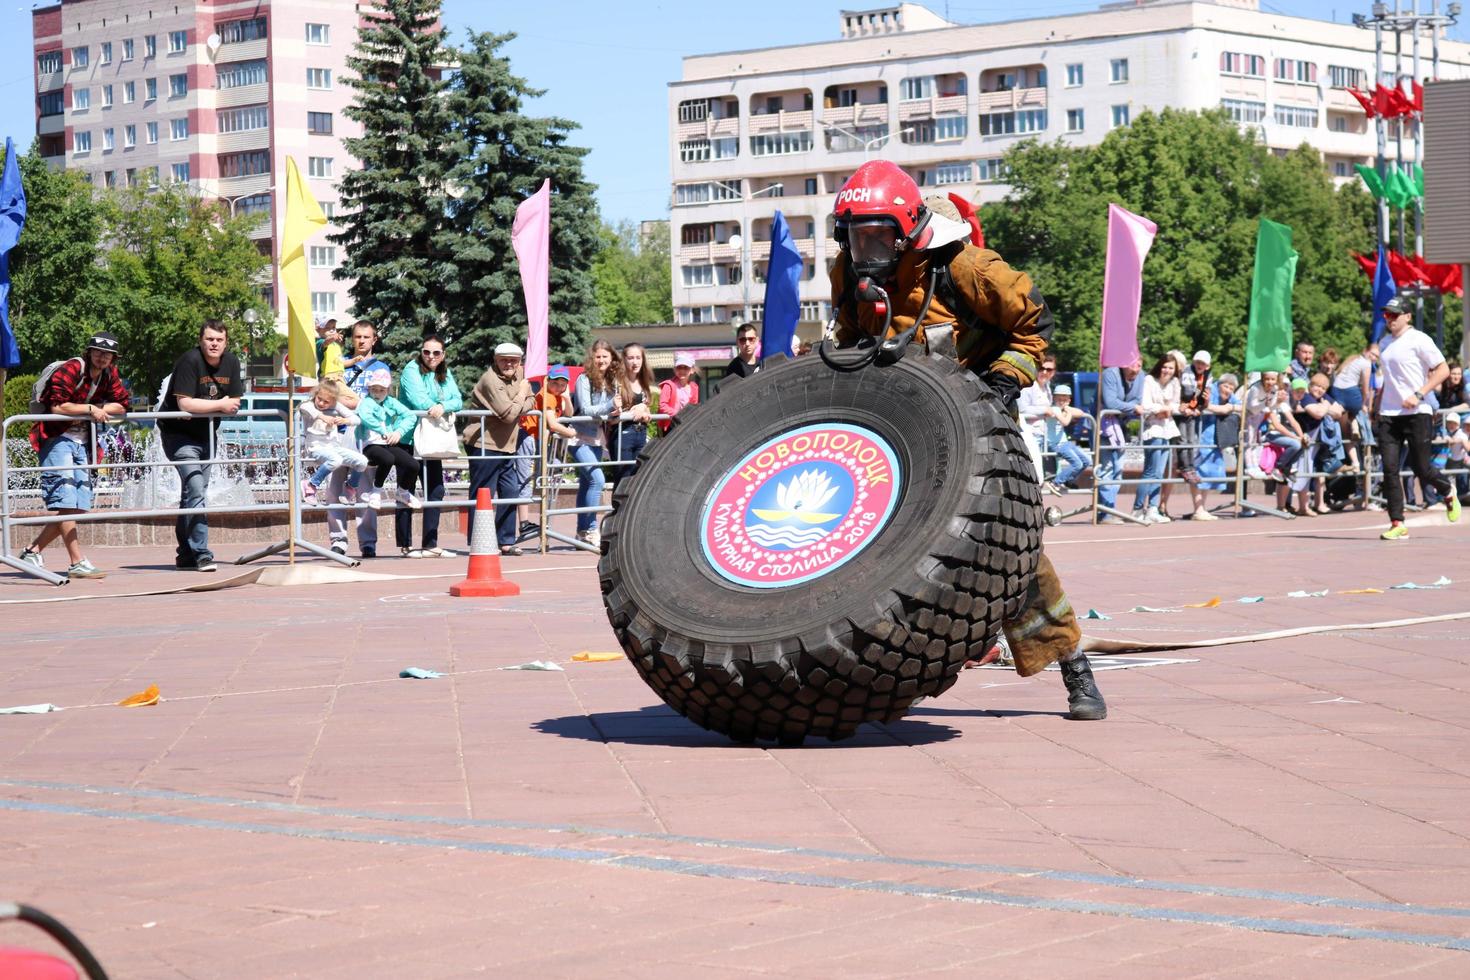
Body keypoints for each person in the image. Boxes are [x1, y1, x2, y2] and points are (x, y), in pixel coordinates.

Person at [829, 159, 1106, 721]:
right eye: (858, 236)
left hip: (978, 425)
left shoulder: (967, 267)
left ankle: (1073, 664)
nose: (868, 247)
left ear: (908, 228)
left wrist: (999, 386)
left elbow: (1035, 329)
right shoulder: (848, 273)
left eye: (880, 235)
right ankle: (876, 678)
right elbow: (850, 336)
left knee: (1011, 552)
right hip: (894, 432)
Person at [18, 333, 130, 580]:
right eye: (97, 352)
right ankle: (77, 561)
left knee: (78, 505)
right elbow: (58, 406)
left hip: (83, 443)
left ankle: (32, 551)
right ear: (88, 352)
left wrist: (98, 410)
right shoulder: (72, 369)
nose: (102, 357)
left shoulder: (109, 374)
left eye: (107, 354)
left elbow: (122, 404)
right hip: (57, 439)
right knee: (66, 500)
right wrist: (91, 409)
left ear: (113, 358)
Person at [157, 320, 244, 573]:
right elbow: (185, 405)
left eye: (219, 339)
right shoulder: (189, 361)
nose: (214, 343)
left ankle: (185, 555)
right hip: (178, 435)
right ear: (200, 340)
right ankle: (202, 554)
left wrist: (203, 406)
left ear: (226, 342)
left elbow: (235, 403)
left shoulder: (232, 362)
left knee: (193, 494)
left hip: (207, 434)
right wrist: (218, 405)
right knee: (195, 487)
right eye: (209, 339)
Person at [1373, 294, 1461, 539]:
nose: (1389, 319)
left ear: (1408, 316)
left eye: (1394, 314)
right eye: (1386, 315)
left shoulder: (1419, 339)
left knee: (1421, 468)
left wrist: (1420, 393)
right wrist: (1377, 408)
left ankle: (1447, 490)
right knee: (1389, 469)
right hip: (1389, 414)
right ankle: (1397, 523)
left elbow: (1443, 369)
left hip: (1416, 413)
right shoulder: (1384, 343)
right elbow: (1388, 381)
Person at [464, 342, 536, 556]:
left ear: (520, 361)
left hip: (508, 444)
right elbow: (508, 415)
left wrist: (520, 399)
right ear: (495, 360)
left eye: (513, 360)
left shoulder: (521, 373)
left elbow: (532, 401)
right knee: (483, 492)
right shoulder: (490, 380)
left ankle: (505, 540)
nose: (509, 364)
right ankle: (478, 541)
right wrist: (522, 393)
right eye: (504, 360)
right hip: (483, 443)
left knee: (511, 491)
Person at [397, 333, 463, 558]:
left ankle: (430, 543)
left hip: (431, 440)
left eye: (436, 352)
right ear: (421, 352)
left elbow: (458, 400)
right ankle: (405, 545)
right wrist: (437, 406)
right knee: (405, 490)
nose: (431, 356)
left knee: (436, 489)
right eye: (427, 352)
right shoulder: (411, 369)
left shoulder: (445, 372)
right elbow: (418, 400)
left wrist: (443, 406)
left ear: (443, 354)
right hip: (408, 438)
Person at [331, 320, 390, 557]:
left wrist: (349, 402)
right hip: (339, 434)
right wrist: (356, 403)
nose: (362, 341)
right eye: (358, 337)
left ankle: (367, 542)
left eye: (366, 337)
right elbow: (328, 394)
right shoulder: (339, 365)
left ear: (374, 339)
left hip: (365, 438)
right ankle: (338, 540)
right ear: (352, 339)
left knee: (365, 490)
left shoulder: (380, 369)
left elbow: (376, 402)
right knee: (335, 489)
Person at [356, 367, 423, 557]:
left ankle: (402, 491)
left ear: (388, 390)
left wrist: (398, 432)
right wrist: (382, 429)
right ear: (369, 389)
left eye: (381, 390)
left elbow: (409, 415)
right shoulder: (366, 403)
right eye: (374, 390)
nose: (377, 394)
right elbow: (366, 417)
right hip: (371, 445)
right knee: (388, 459)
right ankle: (375, 491)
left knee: (412, 465)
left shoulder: (391, 402)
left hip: (387, 442)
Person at [570, 339, 620, 549]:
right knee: (597, 480)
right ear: (592, 358)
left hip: (597, 437)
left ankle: (581, 533)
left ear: (611, 358)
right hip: (578, 435)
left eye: (605, 356)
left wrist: (615, 411)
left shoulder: (612, 380)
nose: (601, 360)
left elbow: (609, 410)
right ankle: (590, 529)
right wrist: (610, 405)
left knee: (586, 483)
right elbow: (586, 409)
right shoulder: (584, 379)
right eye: (597, 356)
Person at [1017, 355, 1089, 494]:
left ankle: (1060, 483)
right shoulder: (1029, 386)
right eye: (1042, 368)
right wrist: (1046, 410)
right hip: (1031, 435)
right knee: (1034, 476)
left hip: (1045, 436)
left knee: (1041, 476)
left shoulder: (1047, 388)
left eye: (1049, 370)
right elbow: (1022, 409)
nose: (1044, 372)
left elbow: (1058, 410)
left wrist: (1064, 410)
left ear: (1053, 372)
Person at [298, 380, 367, 503]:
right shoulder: (309, 405)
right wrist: (323, 416)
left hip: (333, 447)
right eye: (319, 399)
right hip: (316, 447)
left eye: (326, 402)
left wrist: (345, 421)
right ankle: (311, 484)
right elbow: (303, 407)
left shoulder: (336, 406)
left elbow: (356, 419)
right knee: (336, 460)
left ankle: (350, 486)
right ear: (316, 395)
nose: (321, 403)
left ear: (333, 401)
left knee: (362, 461)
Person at [1133, 353, 1181, 524]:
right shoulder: (1149, 380)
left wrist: (1167, 409)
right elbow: (1146, 404)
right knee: (1150, 471)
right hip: (1152, 429)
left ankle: (1153, 508)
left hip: (1167, 429)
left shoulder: (1175, 382)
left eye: (1171, 368)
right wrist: (1162, 408)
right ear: (1159, 366)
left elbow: (1176, 404)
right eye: (1165, 366)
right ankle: (1138, 508)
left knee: (1160, 472)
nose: (1167, 370)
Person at [1097, 357, 1145, 522]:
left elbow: (1137, 400)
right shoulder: (1110, 373)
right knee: (1106, 468)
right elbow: (1110, 401)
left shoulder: (1141, 376)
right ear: (1123, 364)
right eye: (1132, 365)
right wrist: (1130, 407)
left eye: (1139, 365)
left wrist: (1121, 407)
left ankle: (1108, 509)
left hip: (1121, 426)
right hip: (1103, 426)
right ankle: (1105, 512)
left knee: (1118, 469)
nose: (1136, 370)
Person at [1196, 372, 1240, 512]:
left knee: (1209, 474)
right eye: (1226, 386)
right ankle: (1198, 509)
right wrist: (1223, 409)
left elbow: (1241, 406)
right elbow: (1205, 406)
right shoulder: (1211, 390)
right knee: (1200, 472)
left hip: (1216, 439)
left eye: (1231, 388)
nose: (1228, 391)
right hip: (1202, 436)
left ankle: (1202, 508)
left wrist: (1229, 408)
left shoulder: (1230, 397)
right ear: (1219, 384)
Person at [613, 343, 656, 485]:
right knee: (623, 479)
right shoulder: (617, 382)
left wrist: (643, 408)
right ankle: (617, 508)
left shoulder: (644, 381)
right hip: (623, 433)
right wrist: (633, 412)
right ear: (624, 360)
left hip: (641, 433)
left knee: (637, 478)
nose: (635, 361)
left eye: (638, 357)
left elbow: (647, 408)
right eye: (631, 358)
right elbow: (612, 412)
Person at [657, 353, 700, 431]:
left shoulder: (694, 387)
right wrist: (676, 414)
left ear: (692, 370)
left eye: (686, 368)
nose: (682, 370)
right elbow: (662, 405)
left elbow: (694, 406)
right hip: (670, 425)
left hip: (687, 424)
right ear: (674, 369)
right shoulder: (668, 385)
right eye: (679, 367)